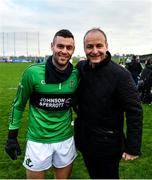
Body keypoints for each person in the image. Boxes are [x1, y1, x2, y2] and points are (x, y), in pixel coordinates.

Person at [5, 29, 79, 179]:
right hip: (37, 141)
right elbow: (18, 105)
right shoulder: (32, 73)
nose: (64, 51)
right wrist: (12, 137)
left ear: (73, 50)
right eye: (60, 46)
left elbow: (78, 104)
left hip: (65, 139)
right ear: (52, 46)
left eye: (68, 47)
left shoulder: (76, 74)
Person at [74, 28, 143, 179]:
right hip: (86, 141)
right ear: (84, 48)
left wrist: (132, 147)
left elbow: (135, 110)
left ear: (106, 46)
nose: (94, 51)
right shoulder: (81, 68)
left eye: (99, 46)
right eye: (89, 46)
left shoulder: (121, 75)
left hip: (108, 145)